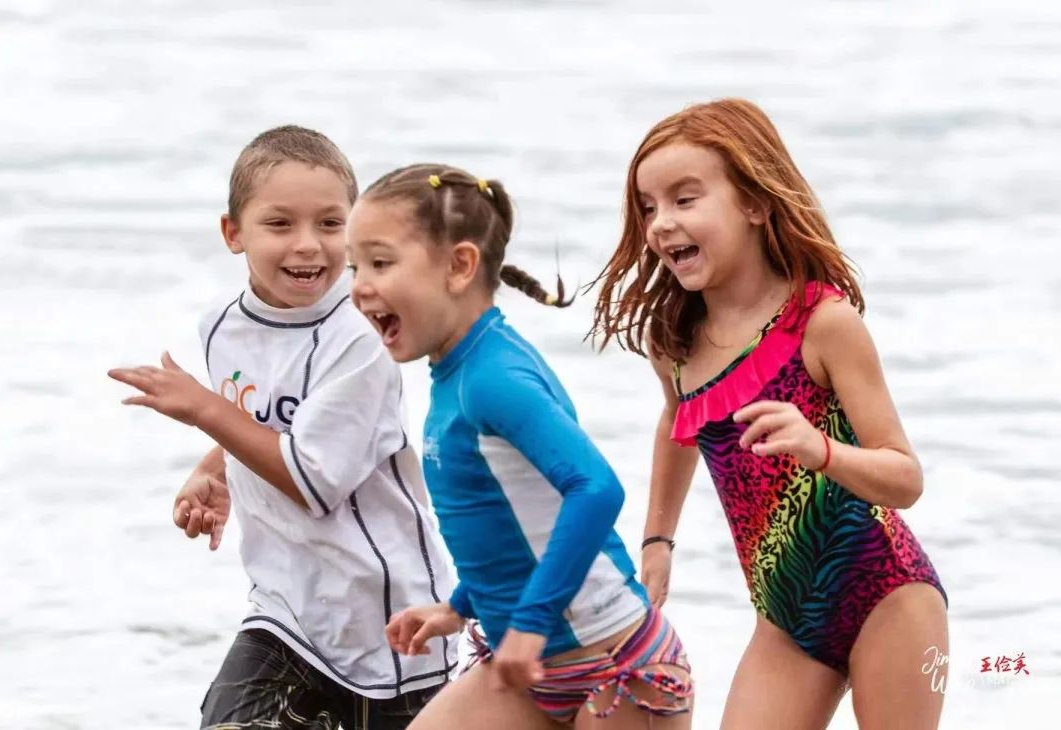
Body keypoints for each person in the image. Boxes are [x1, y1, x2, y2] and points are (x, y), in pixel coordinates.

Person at [589, 98, 949, 729]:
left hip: (889, 595)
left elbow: (905, 478)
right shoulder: (675, 342)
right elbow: (677, 427)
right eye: (648, 207)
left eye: (684, 199)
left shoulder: (822, 322)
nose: (662, 223)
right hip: (784, 619)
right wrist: (657, 541)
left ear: (755, 203)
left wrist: (820, 449)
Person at [108, 126, 456, 729]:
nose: (308, 245)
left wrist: (203, 409)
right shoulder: (220, 325)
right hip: (285, 609)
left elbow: (315, 483)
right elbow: (260, 414)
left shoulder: (360, 337)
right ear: (233, 233)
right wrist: (215, 467)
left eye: (330, 223)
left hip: (389, 622)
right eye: (279, 224)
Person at [345, 163, 694, 730]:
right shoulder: (457, 373)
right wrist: (460, 606)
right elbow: (520, 522)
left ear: (460, 266)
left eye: (380, 263)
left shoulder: (494, 376)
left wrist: (530, 624)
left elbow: (596, 489)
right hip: (528, 667)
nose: (359, 285)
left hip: (617, 667)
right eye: (354, 267)